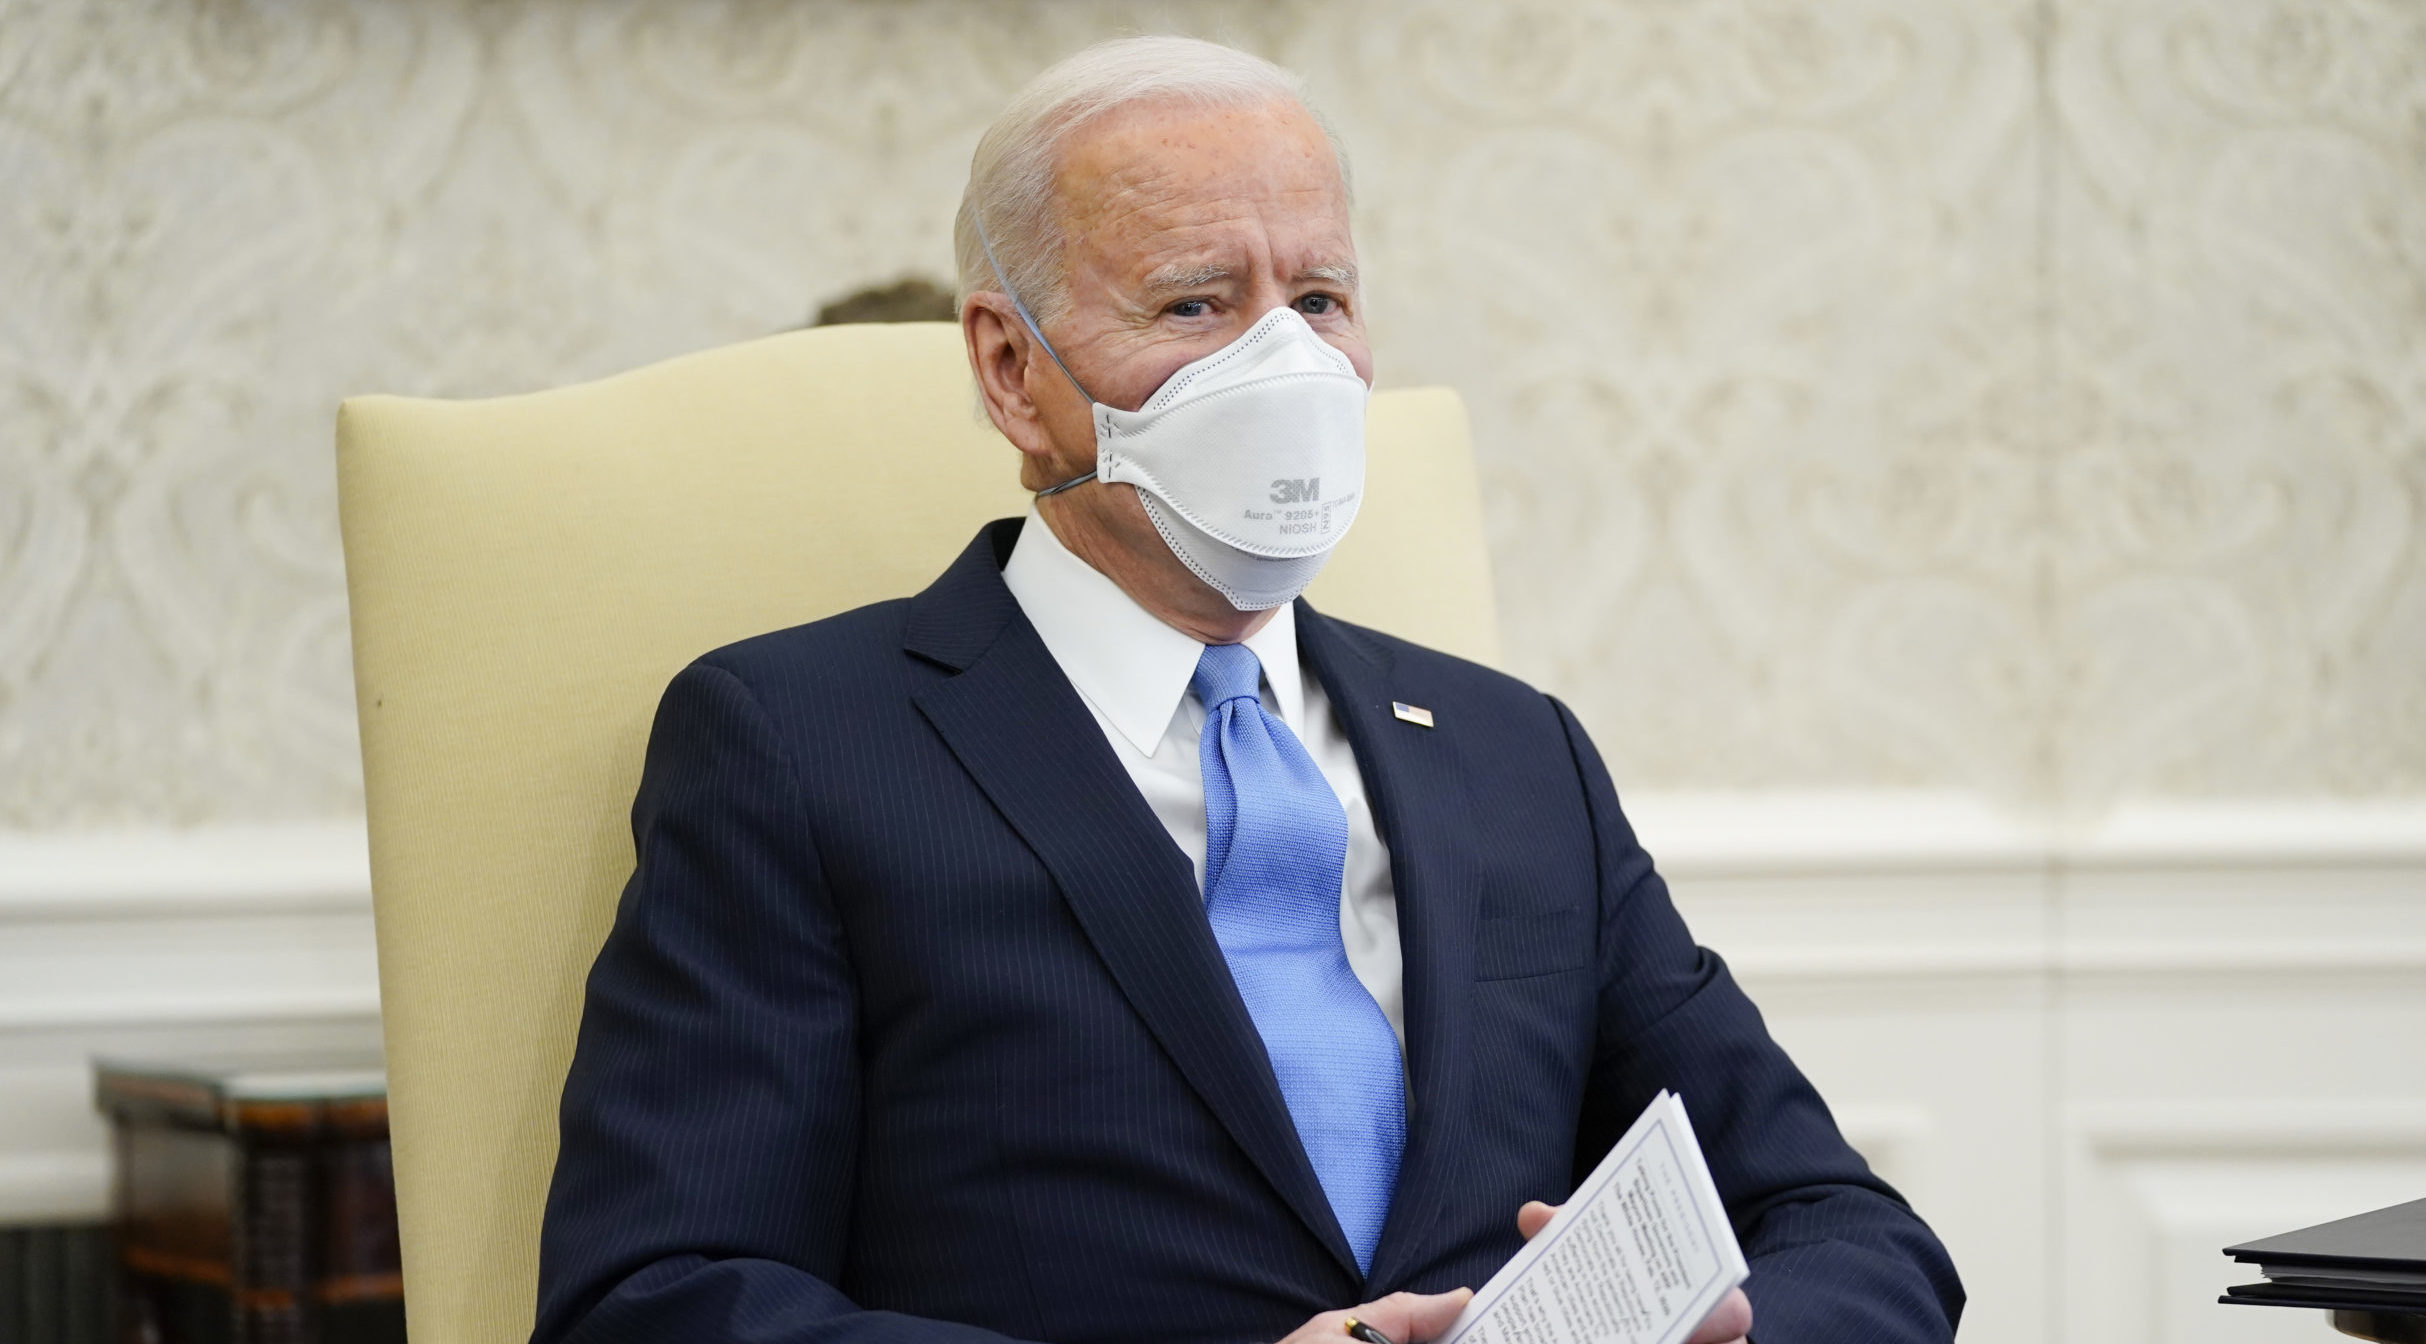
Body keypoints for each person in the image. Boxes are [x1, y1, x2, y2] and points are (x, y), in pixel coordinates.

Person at [532, 35, 1963, 1344]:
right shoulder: (798, 744)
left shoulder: (1515, 754)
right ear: (1013, 371)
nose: (1285, 362)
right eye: (1197, 303)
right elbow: (654, 1301)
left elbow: (1849, 1234)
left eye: (1321, 298)